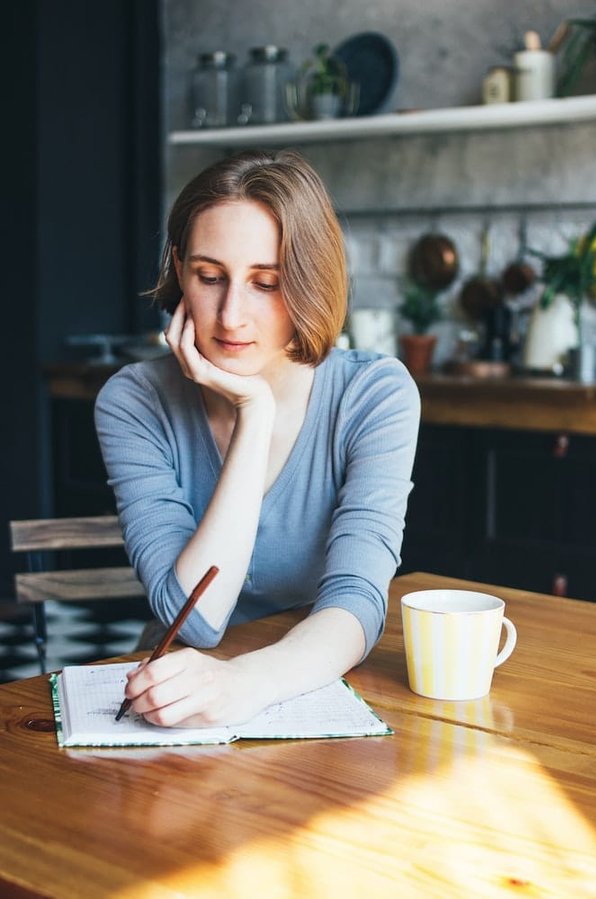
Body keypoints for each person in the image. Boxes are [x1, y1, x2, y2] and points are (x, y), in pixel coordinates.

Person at [95, 148, 420, 728]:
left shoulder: (375, 394)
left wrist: (247, 683)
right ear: (179, 269)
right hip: (173, 697)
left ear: (307, 282)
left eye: (265, 283)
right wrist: (255, 413)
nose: (230, 316)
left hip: (306, 682)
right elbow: (197, 621)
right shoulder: (134, 401)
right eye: (210, 277)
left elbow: (355, 600)